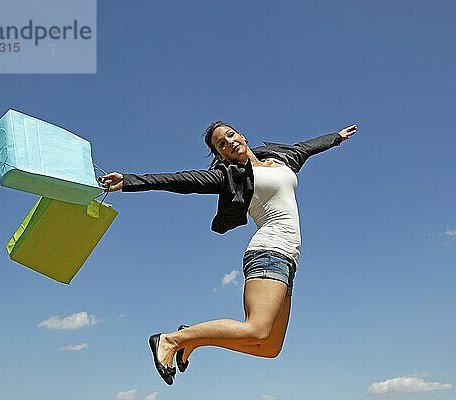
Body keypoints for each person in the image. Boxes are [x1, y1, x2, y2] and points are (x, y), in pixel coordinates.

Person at [99, 121, 358, 385]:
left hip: (290, 258)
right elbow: (179, 180)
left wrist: (336, 137)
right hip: (268, 250)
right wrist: (128, 181)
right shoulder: (231, 177)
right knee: (256, 329)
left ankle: (192, 338)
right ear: (222, 155)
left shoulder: (282, 158)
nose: (229, 142)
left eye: (231, 135)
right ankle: (169, 340)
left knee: (269, 348)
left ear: (242, 136)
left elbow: (308, 147)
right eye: (221, 144)